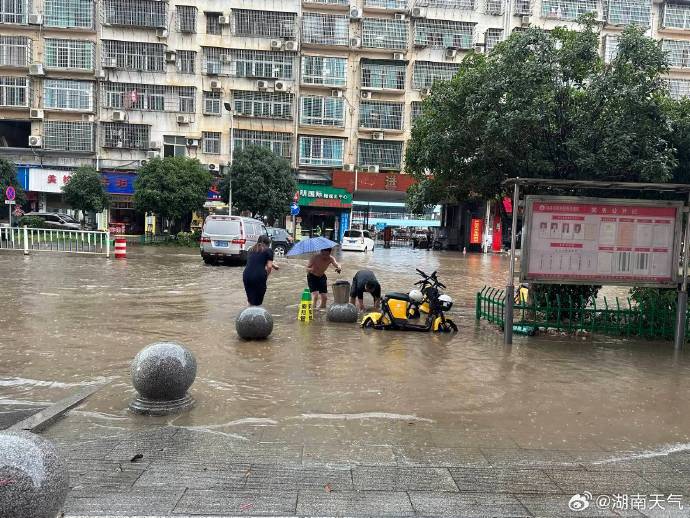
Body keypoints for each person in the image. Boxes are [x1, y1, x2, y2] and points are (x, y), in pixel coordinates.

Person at [242, 235, 279, 306]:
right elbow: (269, 266)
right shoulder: (269, 250)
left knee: (251, 300)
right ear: (267, 243)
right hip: (259, 276)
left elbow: (257, 260)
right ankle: (257, 315)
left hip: (246, 276)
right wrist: (266, 276)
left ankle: (249, 314)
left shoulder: (251, 249)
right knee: (258, 302)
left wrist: (275, 266)